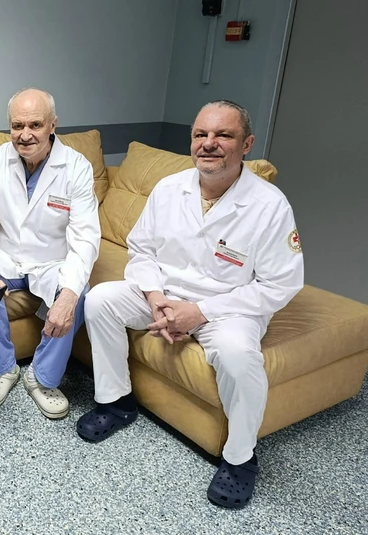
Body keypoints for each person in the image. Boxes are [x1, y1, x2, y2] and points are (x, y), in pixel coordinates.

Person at [78, 100, 304, 508]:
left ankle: (240, 458)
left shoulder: (270, 205)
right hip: (164, 294)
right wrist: (155, 298)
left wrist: (200, 312)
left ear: (247, 144)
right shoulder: (169, 189)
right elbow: (141, 250)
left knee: (239, 357)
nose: (208, 143)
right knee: (100, 301)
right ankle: (116, 401)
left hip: (229, 307)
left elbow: (281, 284)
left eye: (223, 135)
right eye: (201, 134)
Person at [0, 88, 101, 419]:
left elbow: (85, 236)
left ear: (53, 124)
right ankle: (2, 369)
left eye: (35, 125)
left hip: (53, 260)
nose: (25, 135)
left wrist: (68, 295)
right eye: (17, 126)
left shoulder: (76, 167)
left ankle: (42, 376)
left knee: (79, 292)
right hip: (7, 256)